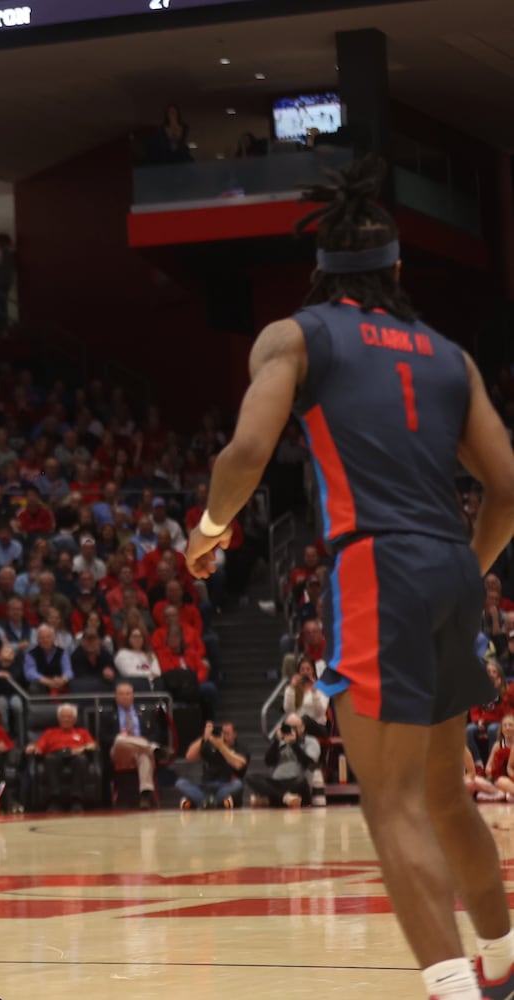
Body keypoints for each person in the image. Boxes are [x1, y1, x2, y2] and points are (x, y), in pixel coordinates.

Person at [184, 157, 514, 1000]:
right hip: (449, 561)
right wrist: (464, 571)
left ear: (319, 272)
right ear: (398, 270)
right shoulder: (450, 355)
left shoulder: (296, 335)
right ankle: (505, 969)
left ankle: (456, 994)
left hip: (380, 563)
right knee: (446, 797)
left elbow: (248, 451)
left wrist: (212, 529)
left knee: (391, 803)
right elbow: (509, 487)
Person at [175, 720, 247, 809]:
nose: (224, 736)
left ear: (234, 734)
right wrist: (204, 738)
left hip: (225, 785)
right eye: (222, 733)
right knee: (180, 782)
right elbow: (189, 756)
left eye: (227, 733)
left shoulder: (240, 748)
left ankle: (206, 801)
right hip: (206, 785)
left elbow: (239, 764)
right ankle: (209, 801)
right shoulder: (210, 746)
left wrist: (221, 747)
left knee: (238, 784)